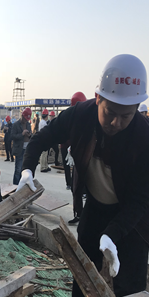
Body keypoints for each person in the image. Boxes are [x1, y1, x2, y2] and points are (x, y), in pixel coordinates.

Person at [18, 54, 149, 297]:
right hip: (98, 204)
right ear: (98, 98)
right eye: (110, 112)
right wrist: (26, 169)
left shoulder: (147, 142)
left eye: (126, 115)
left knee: (130, 286)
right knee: (83, 266)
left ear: (137, 108)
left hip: (134, 217)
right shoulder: (79, 116)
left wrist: (113, 234)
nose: (116, 122)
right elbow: (40, 139)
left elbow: (139, 202)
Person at [62, 92, 88, 223]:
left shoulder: (88, 120)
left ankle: (84, 216)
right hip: (80, 159)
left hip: (87, 160)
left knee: (83, 189)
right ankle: (79, 214)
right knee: (76, 188)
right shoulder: (75, 119)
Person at [11, 108, 32, 184]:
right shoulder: (16, 125)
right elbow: (12, 136)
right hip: (19, 149)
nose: (26, 121)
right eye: (25, 119)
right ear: (22, 116)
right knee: (18, 169)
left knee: (24, 169)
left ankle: (21, 184)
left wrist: (29, 135)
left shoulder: (28, 124)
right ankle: (15, 185)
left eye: (27, 119)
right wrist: (22, 134)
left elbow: (31, 135)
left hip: (27, 149)